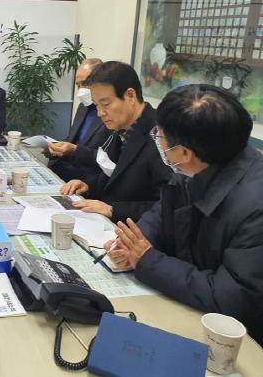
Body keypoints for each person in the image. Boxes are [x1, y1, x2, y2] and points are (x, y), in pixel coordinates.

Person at [106, 84, 263, 345]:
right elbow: (162, 214)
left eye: (160, 134)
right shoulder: (196, 166)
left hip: (236, 339)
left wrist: (147, 260)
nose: (158, 139)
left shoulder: (254, 206)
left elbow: (232, 299)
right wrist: (131, 243)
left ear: (185, 153)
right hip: (188, 305)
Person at [60, 61, 171, 223]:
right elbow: (113, 174)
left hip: (136, 229)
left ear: (130, 96)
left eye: (105, 104)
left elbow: (167, 206)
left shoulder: (161, 137)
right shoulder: (120, 127)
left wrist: (113, 210)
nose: (100, 113)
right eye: (96, 105)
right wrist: (88, 185)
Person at [46, 58, 109, 181]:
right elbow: (72, 138)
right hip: (64, 168)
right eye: (78, 85)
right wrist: (55, 147)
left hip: (88, 176)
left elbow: (107, 158)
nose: (81, 90)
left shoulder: (109, 113)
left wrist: (74, 150)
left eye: (85, 84)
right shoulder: (83, 107)